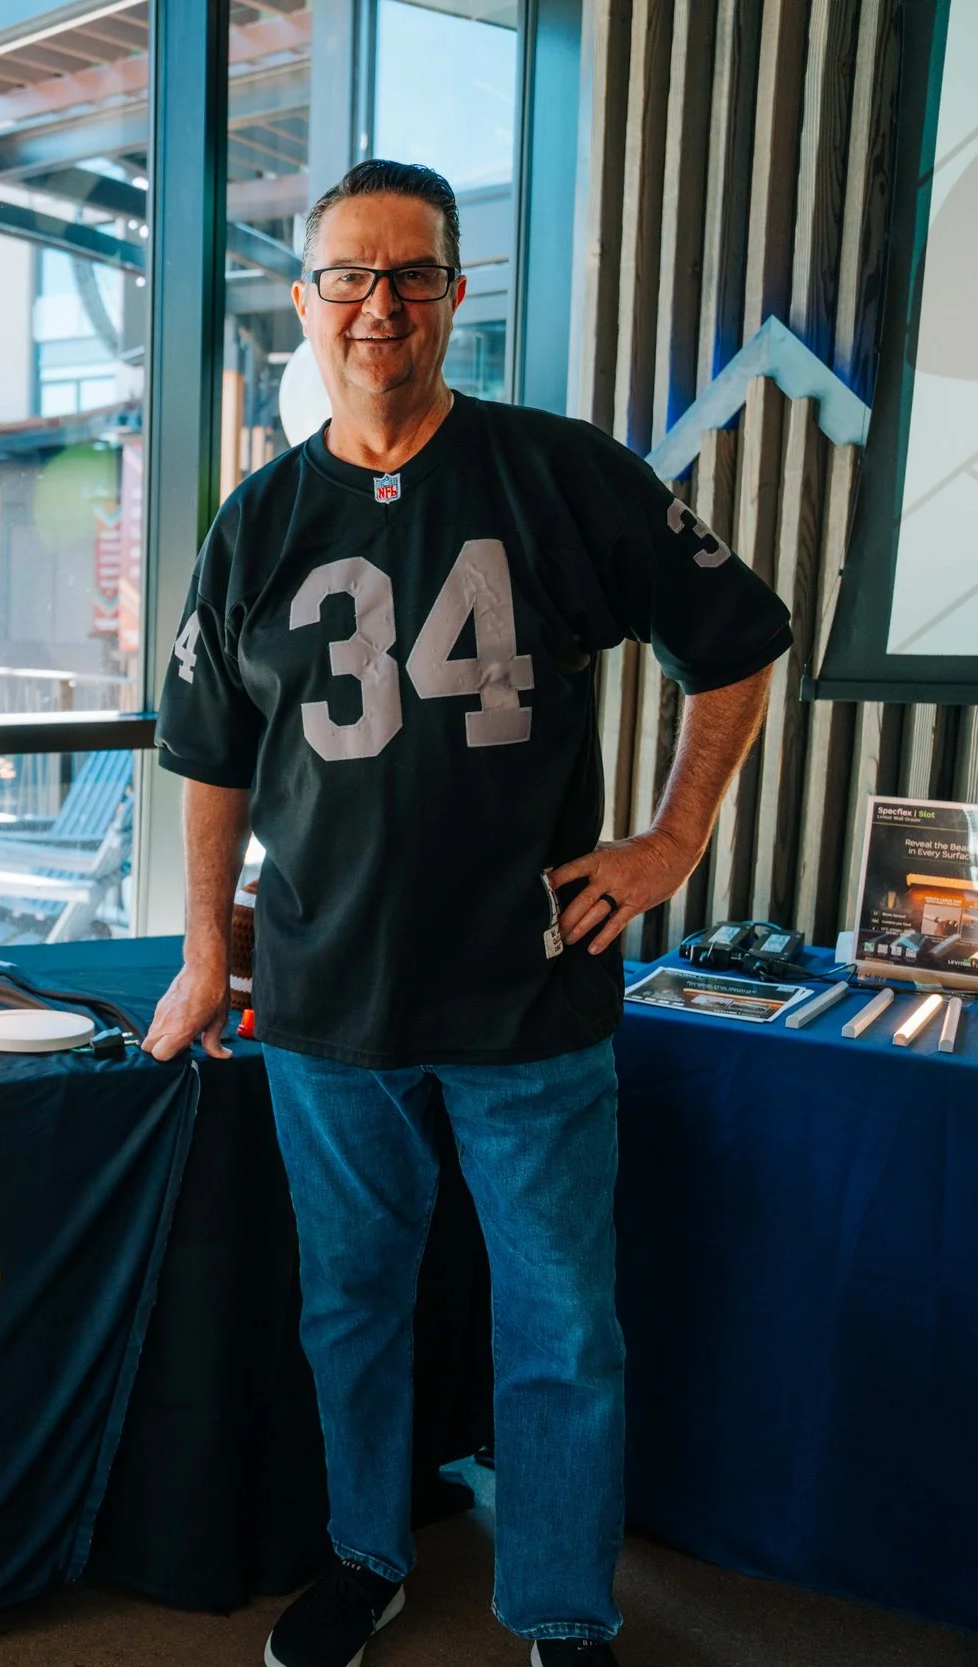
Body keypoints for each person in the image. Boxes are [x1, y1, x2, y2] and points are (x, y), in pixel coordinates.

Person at [144, 160, 791, 1667]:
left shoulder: (562, 474)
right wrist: (202, 951)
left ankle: (561, 1605)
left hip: (529, 992)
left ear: (454, 294)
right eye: (350, 276)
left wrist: (673, 839)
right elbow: (209, 758)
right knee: (350, 1304)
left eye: (414, 274)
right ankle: (367, 1555)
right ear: (304, 301)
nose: (381, 304)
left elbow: (736, 642)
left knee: (562, 1320)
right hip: (326, 1001)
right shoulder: (255, 521)